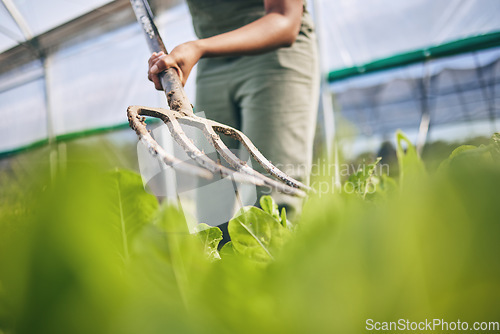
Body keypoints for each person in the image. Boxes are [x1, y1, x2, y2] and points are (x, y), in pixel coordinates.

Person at [148, 0, 319, 230]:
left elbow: (285, 19)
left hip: (274, 52)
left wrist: (197, 48)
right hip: (211, 63)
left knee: (273, 196)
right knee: (211, 205)